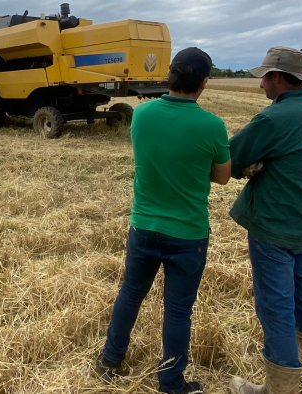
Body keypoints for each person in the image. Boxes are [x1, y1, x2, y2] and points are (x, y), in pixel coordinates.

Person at [95, 47, 232, 394]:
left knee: (130, 295)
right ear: (203, 84)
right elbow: (223, 177)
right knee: (177, 312)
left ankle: (109, 361)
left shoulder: (141, 115)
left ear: (170, 76)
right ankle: (171, 382)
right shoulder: (213, 126)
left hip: (143, 227)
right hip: (188, 235)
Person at [226, 47, 302, 394]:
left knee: (274, 303)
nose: (260, 86)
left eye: (263, 77)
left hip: (276, 222)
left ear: (276, 77)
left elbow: (231, 157)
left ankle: (280, 385)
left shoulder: (274, 119)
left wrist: (248, 166)